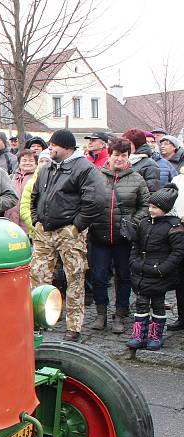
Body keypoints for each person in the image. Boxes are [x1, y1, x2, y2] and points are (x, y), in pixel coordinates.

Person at [30, 128, 104, 341]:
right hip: (45, 230)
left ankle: (74, 326)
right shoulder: (46, 168)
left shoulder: (84, 169)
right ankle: (39, 320)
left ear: (68, 147)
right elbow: (35, 195)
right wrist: (36, 219)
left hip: (69, 232)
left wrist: (77, 226)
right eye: (49, 144)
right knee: (38, 278)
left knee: (74, 279)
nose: (50, 147)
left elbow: (96, 199)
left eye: (54, 144)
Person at [89, 138, 150, 333]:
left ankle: (120, 315)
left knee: (124, 277)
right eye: (116, 155)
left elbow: (145, 205)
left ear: (128, 157)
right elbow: (87, 200)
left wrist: (133, 222)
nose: (119, 159)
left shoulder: (137, 178)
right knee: (98, 276)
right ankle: (101, 313)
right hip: (99, 235)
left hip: (125, 238)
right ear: (110, 155)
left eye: (124, 155)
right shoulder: (96, 176)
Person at [125, 185, 184, 350]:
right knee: (141, 304)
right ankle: (139, 335)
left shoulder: (174, 227)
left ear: (165, 209)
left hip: (159, 275)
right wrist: (134, 261)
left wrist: (163, 269)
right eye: (150, 206)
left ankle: (156, 336)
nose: (150, 209)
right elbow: (136, 244)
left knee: (158, 305)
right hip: (142, 272)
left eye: (155, 207)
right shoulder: (144, 223)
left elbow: (178, 252)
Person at [19, 149, 51, 236]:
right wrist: (36, 226)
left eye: (47, 161)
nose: (44, 164)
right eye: (41, 161)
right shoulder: (31, 183)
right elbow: (25, 207)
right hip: (36, 231)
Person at [5, 150, 37, 234]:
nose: (27, 163)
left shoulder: (38, 178)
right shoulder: (11, 177)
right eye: (24, 160)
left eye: (31, 161)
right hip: (11, 222)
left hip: (28, 223)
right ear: (19, 162)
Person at [123, 128, 161, 193]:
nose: (125, 146)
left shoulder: (149, 164)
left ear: (137, 144)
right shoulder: (123, 160)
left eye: (129, 143)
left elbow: (152, 191)